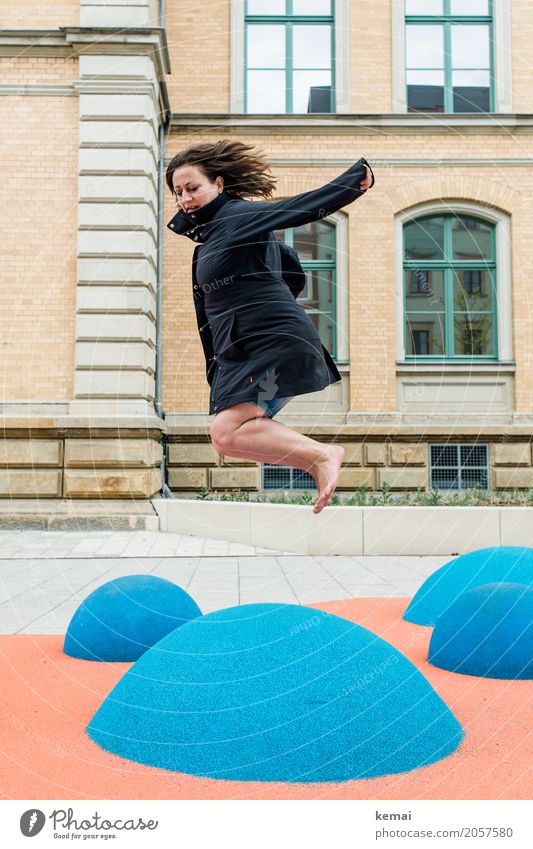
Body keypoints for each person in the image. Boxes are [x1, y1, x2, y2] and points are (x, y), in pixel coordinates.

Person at [166, 140, 375, 514]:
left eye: (193, 188)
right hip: (246, 346)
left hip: (268, 342)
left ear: (218, 184)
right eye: (178, 192)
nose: (185, 198)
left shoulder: (235, 216)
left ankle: (323, 455)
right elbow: (293, 274)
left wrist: (352, 182)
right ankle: (317, 460)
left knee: (227, 431)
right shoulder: (218, 235)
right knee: (229, 438)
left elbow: (293, 210)